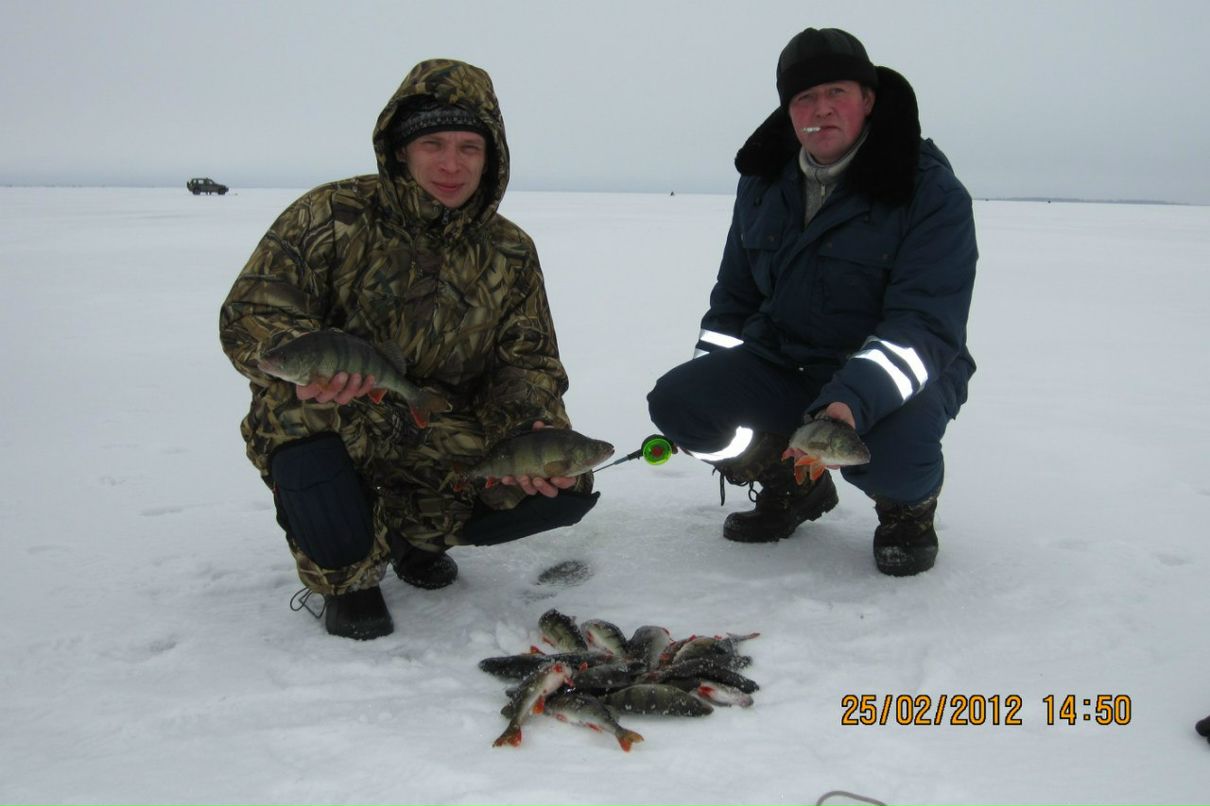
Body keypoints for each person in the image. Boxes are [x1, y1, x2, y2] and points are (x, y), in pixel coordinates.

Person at [220, 59, 597, 640]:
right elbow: (253, 311)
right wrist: (299, 358)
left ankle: (415, 538)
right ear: (401, 149)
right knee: (291, 417)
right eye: (433, 143)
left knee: (565, 483)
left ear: (490, 156)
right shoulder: (331, 214)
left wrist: (532, 423)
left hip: (436, 419)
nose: (451, 164)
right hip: (341, 411)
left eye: (469, 147)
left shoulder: (510, 250)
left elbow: (526, 361)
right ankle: (348, 581)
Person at [647, 28, 977, 576]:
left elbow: (924, 324)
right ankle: (792, 483)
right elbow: (734, 295)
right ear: (788, 110)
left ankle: (907, 509)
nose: (820, 110)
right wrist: (712, 377)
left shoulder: (929, 191)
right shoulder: (763, 183)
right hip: (786, 360)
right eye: (804, 98)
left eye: (836, 93)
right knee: (679, 403)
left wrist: (850, 402)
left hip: (895, 373)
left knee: (892, 458)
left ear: (867, 100)